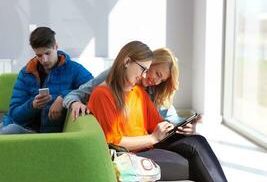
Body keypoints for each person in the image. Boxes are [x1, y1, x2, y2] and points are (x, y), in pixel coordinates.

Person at [87, 40, 228, 181]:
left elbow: (156, 123)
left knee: (197, 141)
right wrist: (152, 138)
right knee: (198, 164)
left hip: (148, 148)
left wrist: (175, 128)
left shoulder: (138, 92)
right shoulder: (102, 94)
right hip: (129, 156)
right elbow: (113, 142)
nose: (143, 76)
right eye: (143, 69)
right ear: (127, 61)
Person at [64, 47, 196, 134]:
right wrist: (74, 103)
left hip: (151, 138)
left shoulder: (152, 90)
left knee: (197, 141)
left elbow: (170, 118)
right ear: (150, 63)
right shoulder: (113, 77)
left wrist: (185, 127)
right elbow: (76, 94)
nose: (156, 81)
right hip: (136, 141)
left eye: (161, 80)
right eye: (157, 74)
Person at [0, 27, 93, 134]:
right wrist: (32, 106)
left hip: (38, 134)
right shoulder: (26, 73)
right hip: (15, 125)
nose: (44, 60)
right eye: (39, 55)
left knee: (10, 131)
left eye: (47, 53)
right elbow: (14, 115)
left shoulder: (74, 69)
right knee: (8, 129)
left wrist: (63, 98)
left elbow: (92, 89)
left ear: (56, 47)